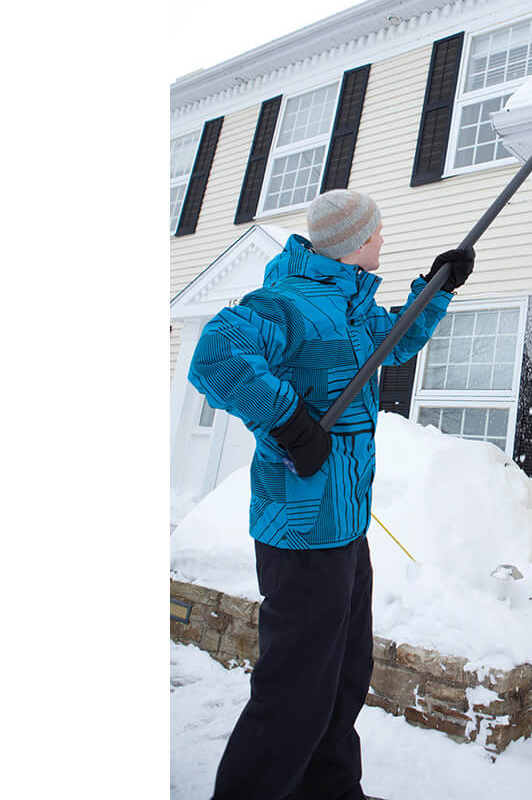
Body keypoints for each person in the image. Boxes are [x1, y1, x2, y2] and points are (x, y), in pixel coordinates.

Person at [187, 189, 475, 800]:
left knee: (343, 678)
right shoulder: (288, 303)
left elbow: (394, 340)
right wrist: (290, 421)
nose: (382, 240)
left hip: (345, 525)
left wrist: (440, 286)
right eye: (376, 233)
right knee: (293, 692)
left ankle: (332, 791)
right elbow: (215, 358)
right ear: (353, 242)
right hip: (300, 528)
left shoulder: (349, 304)